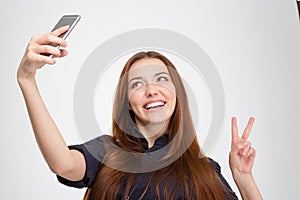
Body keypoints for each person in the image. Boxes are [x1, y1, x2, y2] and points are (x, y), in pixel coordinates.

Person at [17, 26, 263, 200]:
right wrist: (27, 80)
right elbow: (62, 164)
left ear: (176, 95)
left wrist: (243, 178)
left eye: (161, 79)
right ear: (127, 102)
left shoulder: (204, 169)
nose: (151, 90)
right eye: (136, 84)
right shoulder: (106, 153)